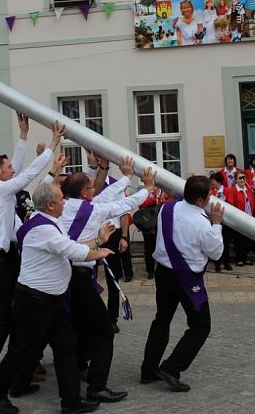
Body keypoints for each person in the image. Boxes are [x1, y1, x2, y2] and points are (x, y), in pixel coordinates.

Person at [0, 182, 116, 414]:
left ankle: (71, 402)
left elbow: (69, 246)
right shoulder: (42, 228)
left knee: (66, 348)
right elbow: (73, 252)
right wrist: (99, 252)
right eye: (60, 198)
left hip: (53, 301)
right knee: (22, 350)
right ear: (50, 204)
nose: (65, 201)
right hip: (34, 302)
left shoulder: (47, 222)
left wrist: (98, 241)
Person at [0, 116, 62, 383]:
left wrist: (23, 134)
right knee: (5, 315)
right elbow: (27, 173)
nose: (12, 170)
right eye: (7, 168)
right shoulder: (0, 191)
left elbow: (17, 169)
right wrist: (52, 144)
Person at [58, 158, 155, 404]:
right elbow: (122, 203)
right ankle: (97, 386)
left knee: (79, 326)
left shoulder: (67, 206)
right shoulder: (92, 210)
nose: (95, 190)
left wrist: (125, 177)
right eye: (91, 187)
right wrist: (148, 189)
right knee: (104, 332)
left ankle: (80, 366)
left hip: (65, 276)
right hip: (79, 279)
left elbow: (106, 197)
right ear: (84, 193)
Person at [140, 175, 225, 392]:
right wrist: (216, 225)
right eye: (208, 196)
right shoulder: (202, 223)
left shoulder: (168, 208)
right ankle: (171, 368)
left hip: (163, 273)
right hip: (186, 278)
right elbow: (215, 253)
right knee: (201, 326)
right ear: (199, 200)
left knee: (162, 319)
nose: (210, 199)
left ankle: (148, 370)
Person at [224, 170, 254, 266]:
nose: (243, 180)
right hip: (239, 219)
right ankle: (239, 258)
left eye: (244, 177)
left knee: (247, 239)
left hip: (249, 217)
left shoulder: (248, 190)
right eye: (240, 178)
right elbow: (231, 204)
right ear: (236, 180)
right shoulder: (232, 190)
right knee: (239, 240)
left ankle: (245, 258)